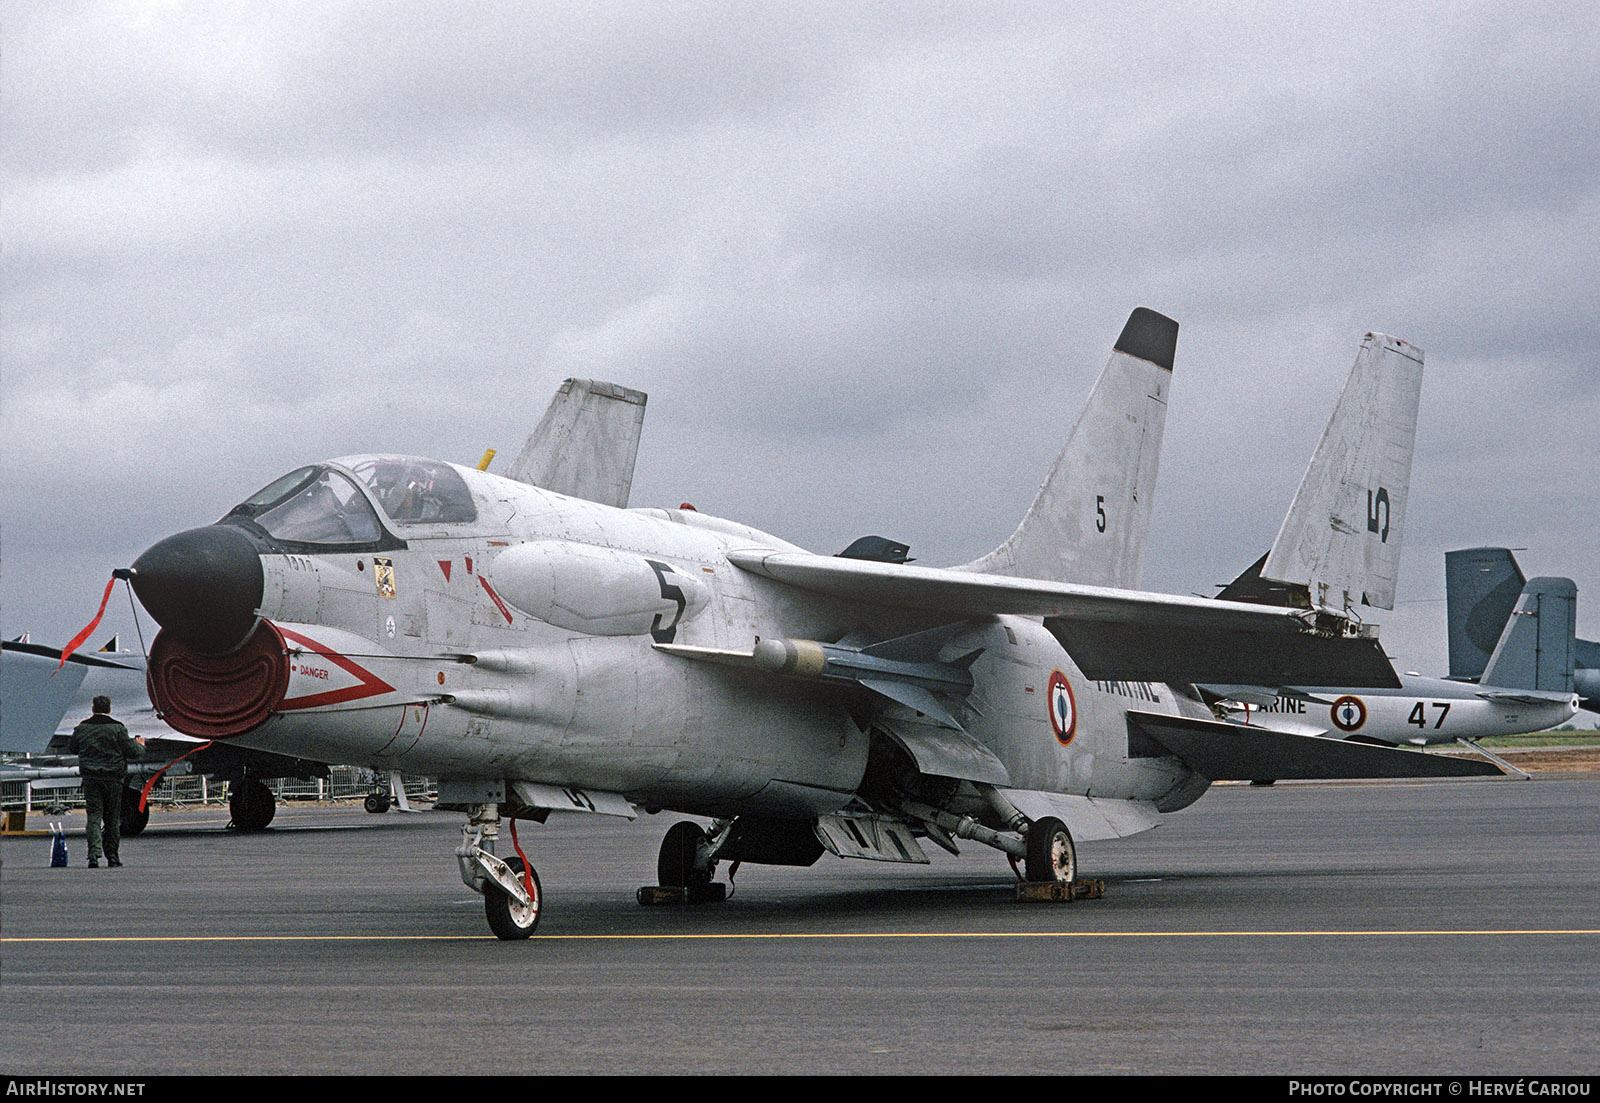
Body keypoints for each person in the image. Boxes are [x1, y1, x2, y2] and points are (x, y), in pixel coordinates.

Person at [67, 695, 145, 868]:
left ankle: (94, 855)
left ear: (93, 709)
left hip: (91, 778)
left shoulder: (82, 728)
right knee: (112, 819)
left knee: (93, 817)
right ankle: (112, 856)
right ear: (109, 709)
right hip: (113, 779)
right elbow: (133, 752)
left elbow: (72, 747)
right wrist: (140, 744)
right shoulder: (117, 728)